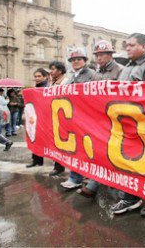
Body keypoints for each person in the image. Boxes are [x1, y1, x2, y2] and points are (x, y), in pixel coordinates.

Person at [111, 33, 145, 217]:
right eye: (126, 45)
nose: (127, 48)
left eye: (132, 45)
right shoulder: (127, 67)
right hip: (126, 126)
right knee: (127, 163)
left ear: (144, 46)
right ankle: (130, 198)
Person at [76, 40, 123, 198]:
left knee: (114, 154)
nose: (99, 57)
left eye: (102, 54)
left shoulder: (120, 71)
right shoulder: (96, 74)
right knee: (100, 153)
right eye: (97, 55)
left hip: (116, 119)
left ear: (110, 55)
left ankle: (108, 187)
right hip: (100, 119)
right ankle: (94, 184)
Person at [60, 47, 99, 189]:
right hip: (73, 117)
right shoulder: (70, 77)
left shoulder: (93, 75)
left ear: (85, 61)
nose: (76, 62)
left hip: (88, 118)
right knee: (75, 149)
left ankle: (92, 179)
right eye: (73, 60)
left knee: (90, 150)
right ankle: (75, 178)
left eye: (79, 59)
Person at [47, 61, 67, 176]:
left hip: (62, 115)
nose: (51, 71)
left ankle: (59, 166)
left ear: (60, 70)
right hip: (54, 114)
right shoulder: (52, 82)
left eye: (53, 69)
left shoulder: (65, 81)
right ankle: (58, 165)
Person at [27, 68, 50, 168]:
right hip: (36, 117)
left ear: (45, 77)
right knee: (35, 138)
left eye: (39, 76)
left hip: (45, 118)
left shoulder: (47, 87)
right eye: (35, 76)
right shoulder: (37, 87)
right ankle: (37, 160)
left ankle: (57, 165)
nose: (37, 78)